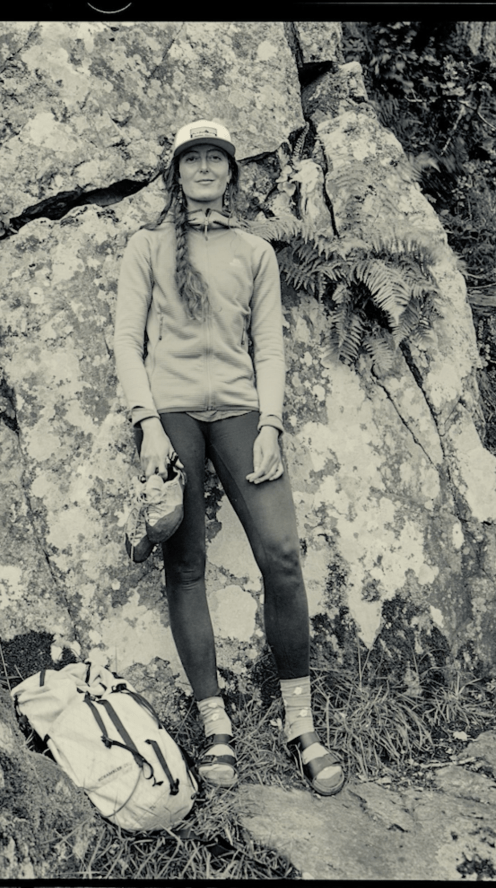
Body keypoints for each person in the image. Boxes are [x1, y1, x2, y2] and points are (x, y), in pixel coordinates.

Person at [113, 119, 345, 796]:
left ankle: (300, 725)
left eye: (217, 158)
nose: (206, 168)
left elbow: (269, 348)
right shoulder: (146, 247)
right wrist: (148, 426)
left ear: (233, 174)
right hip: (171, 415)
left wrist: (270, 423)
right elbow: (128, 343)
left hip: (243, 412)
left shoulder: (255, 252)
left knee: (282, 553)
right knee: (185, 564)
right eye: (194, 159)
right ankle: (216, 727)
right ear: (177, 173)